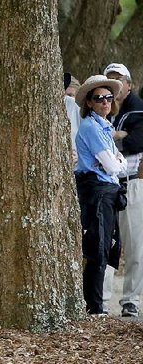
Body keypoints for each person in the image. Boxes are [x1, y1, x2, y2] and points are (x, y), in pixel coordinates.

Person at [73, 75, 125, 315]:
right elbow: (115, 167)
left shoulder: (105, 127)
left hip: (108, 192)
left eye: (108, 97)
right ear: (90, 103)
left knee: (107, 247)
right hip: (97, 193)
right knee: (98, 247)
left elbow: (119, 165)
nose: (105, 102)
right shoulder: (91, 127)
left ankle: (96, 304)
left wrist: (114, 162)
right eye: (99, 98)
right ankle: (94, 307)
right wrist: (113, 162)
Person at [102, 63, 143, 317]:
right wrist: (120, 135)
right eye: (110, 79)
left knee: (135, 244)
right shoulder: (99, 107)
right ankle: (100, 300)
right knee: (104, 244)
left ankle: (131, 300)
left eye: (119, 79)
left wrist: (115, 138)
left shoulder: (138, 108)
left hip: (131, 182)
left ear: (129, 84)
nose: (115, 84)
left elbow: (137, 141)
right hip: (106, 184)